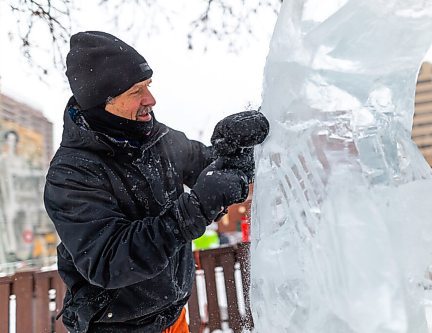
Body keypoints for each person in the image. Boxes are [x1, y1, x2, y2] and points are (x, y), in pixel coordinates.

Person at [43, 31, 269, 333]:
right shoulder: (71, 175)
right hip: (120, 327)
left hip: (174, 316)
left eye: (148, 86)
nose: (151, 99)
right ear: (103, 102)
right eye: (136, 91)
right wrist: (197, 208)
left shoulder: (156, 137)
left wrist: (232, 149)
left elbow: (210, 168)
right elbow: (110, 261)